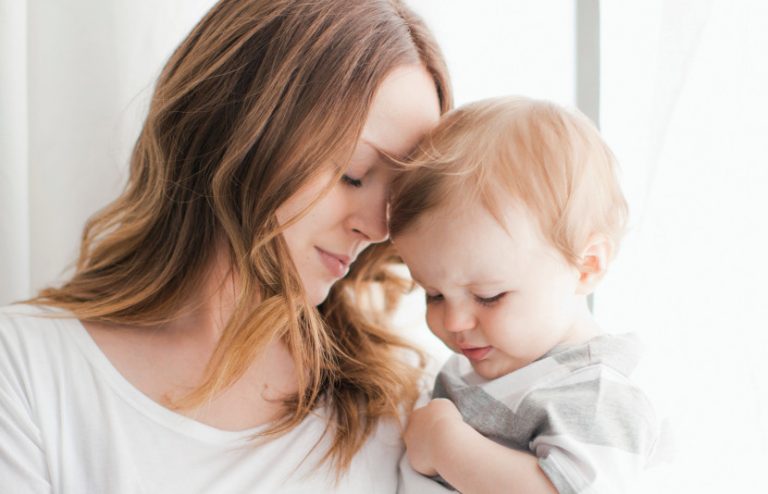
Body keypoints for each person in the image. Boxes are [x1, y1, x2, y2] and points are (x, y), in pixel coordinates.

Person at [0, 1, 452, 492]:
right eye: (354, 173)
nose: (379, 228)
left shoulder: (406, 409)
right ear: (242, 130)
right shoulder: (26, 370)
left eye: (398, 193)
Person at [390, 96, 660, 493]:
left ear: (586, 266)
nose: (453, 321)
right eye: (433, 295)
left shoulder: (595, 394)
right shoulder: (475, 367)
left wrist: (445, 446)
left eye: (488, 296)